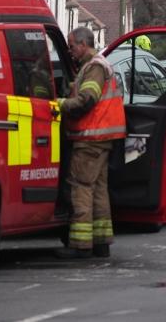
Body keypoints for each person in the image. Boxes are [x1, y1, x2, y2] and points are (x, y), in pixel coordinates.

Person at [56, 27, 126, 259]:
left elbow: (87, 99)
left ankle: (81, 245)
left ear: (83, 44)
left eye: (72, 46)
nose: (70, 51)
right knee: (98, 190)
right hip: (101, 139)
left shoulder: (94, 67)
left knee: (81, 188)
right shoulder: (98, 65)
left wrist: (59, 104)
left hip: (90, 138)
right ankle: (101, 243)